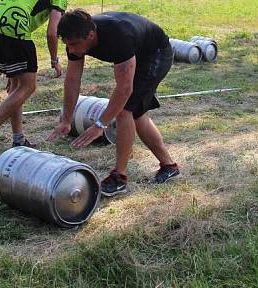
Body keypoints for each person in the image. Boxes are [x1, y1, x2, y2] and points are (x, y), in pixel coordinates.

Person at [47, 10, 180, 197]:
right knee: (136, 113)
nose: (73, 50)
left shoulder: (119, 36)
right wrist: (66, 119)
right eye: (68, 45)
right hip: (136, 49)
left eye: (75, 44)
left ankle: (119, 178)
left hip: (155, 52)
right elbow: (72, 80)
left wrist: (100, 124)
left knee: (125, 111)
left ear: (91, 35)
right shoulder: (76, 38)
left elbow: (124, 89)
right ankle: (169, 166)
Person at [0, 0, 78, 162]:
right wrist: (55, 59)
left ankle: (18, 139)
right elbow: (53, 32)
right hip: (15, 27)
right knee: (29, 86)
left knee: (16, 87)